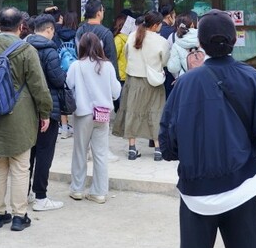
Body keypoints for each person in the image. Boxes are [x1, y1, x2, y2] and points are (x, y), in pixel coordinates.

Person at [159, 9, 256, 248]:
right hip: (242, 184)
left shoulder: (183, 84)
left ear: (201, 43)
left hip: (196, 190)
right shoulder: (253, 78)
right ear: (233, 40)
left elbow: (168, 145)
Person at [0, 7, 53, 232]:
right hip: (20, 117)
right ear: (21, 27)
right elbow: (39, 87)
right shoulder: (26, 50)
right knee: (20, 167)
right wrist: (45, 113)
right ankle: (19, 216)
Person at [67, 32, 122, 204]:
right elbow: (116, 92)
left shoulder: (76, 65)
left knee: (80, 152)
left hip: (83, 114)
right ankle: (99, 191)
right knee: (100, 154)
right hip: (103, 114)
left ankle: (77, 189)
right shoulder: (108, 66)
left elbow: (68, 86)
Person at [113, 10, 170, 161]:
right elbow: (164, 62)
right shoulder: (161, 41)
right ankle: (158, 150)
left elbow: (127, 55)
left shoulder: (132, 36)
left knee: (133, 112)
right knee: (155, 113)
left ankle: (132, 149)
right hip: (153, 83)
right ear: (156, 25)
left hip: (133, 80)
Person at [25, 14, 67, 212]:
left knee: (28, 153)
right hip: (48, 108)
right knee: (44, 153)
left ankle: (24, 192)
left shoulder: (24, 46)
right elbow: (58, 80)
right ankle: (41, 196)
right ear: (49, 30)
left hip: (27, 108)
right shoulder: (49, 51)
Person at [75, 0, 118, 78]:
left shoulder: (79, 31)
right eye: (103, 10)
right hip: (101, 76)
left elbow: (76, 53)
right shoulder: (106, 33)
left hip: (83, 76)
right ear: (98, 13)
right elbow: (112, 59)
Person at [57, 11, 79, 138]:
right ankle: (77, 128)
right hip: (76, 70)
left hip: (61, 70)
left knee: (62, 98)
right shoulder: (77, 35)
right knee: (77, 98)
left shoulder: (57, 34)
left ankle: (64, 129)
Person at [166, 12, 201, 80]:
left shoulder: (176, 42)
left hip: (185, 79)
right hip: (204, 78)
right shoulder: (203, 37)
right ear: (192, 24)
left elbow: (173, 68)